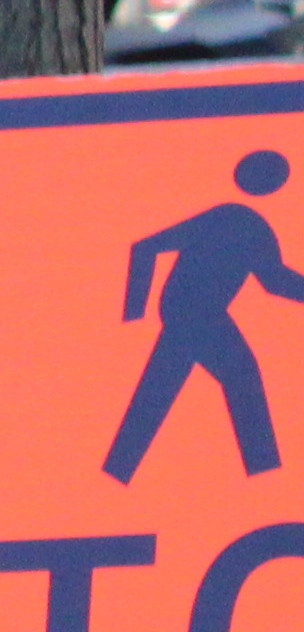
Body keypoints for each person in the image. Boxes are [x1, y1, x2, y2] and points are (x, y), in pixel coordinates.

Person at [110, 149, 304, 482]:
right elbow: (145, 247)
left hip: (197, 314)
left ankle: (117, 472)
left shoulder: (252, 226)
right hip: (194, 314)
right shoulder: (231, 217)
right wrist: (132, 315)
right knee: (239, 377)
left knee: (161, 390)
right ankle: (265, 474)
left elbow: (273, 280)